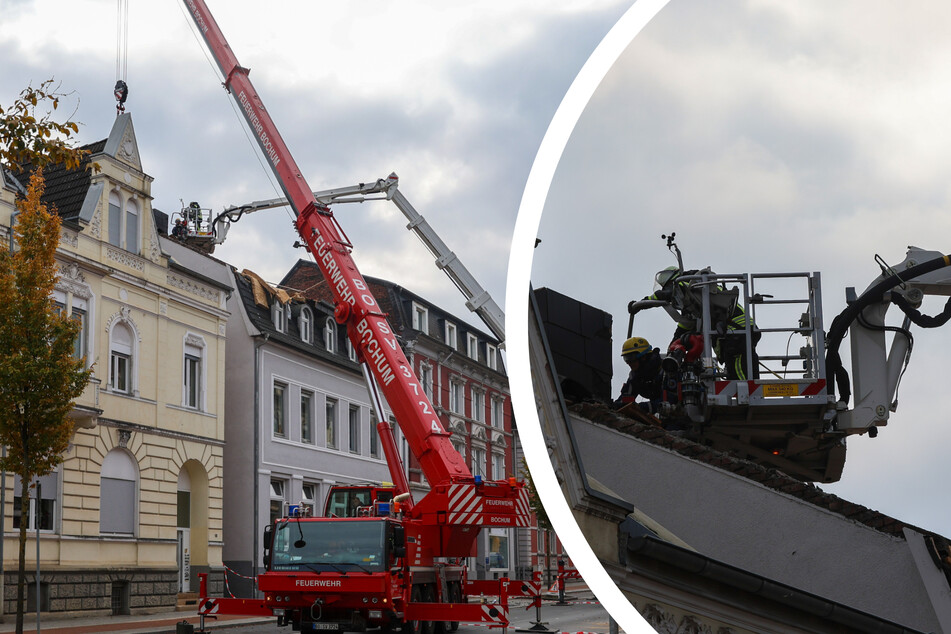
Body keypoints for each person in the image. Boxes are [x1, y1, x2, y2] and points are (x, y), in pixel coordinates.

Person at [615, 336, 665, 413]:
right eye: (626, 358)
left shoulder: (664, 370)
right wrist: (614, 406)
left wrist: (643, 407)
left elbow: (670, 400)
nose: (628, 362)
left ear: (643, 357)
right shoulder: (635, 376)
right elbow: (626, 397)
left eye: (630, 357)